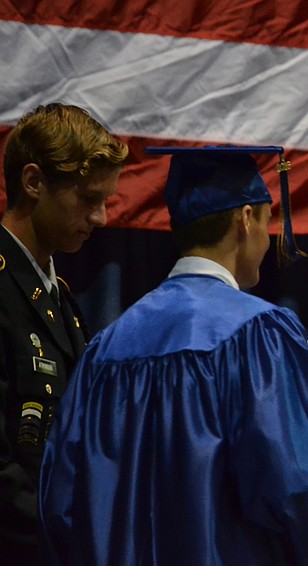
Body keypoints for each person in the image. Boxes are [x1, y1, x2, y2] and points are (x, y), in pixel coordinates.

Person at [39, 146, 308, 565]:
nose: (268, 238)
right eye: (267, 221)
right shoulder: (257, 334)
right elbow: (297, 481)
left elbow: (61, 501)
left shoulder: (108, 348)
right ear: (246, 220)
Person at [0, 102, 128, 565]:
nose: (101, 218)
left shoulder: (60, 300)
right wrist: (76, 537)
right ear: (34, 182)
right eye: (89, 199)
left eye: (105, 201)